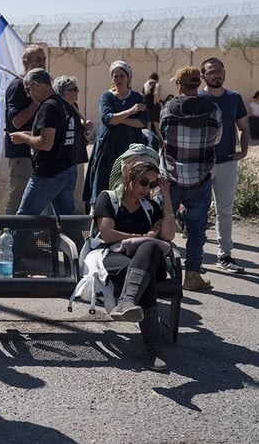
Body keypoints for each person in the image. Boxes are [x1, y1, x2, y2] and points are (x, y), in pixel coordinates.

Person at [92, 143, 175, 371]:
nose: (147, 189)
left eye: (152, 184)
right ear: (130, 176)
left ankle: (127, 302)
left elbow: (167, 235)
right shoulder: (108, 199)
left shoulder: (150, 206)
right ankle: (153, 350)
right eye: (143, 182)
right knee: (145, 266)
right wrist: (141, 236)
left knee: (149, 248)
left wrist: (166, 195)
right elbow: (107, 234)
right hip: (113, 259)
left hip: (142, 261)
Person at [160, 66, 222, 291]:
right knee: (197, 231)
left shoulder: (168, 109)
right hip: (200, 181)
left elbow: (163, 138)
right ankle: (192, 276)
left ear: (179, 84)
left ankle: (156, 272)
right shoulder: (214, 110)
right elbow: (217, 139)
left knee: (160, 226)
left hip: (171, 181)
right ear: (199, 83)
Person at [199, 57, 250, 274]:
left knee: (225, 210)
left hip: (228, 161)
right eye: (211, 72)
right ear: (203, 76)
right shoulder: (197, 98)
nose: (216, 75)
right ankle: (196, 256)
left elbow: (244, 127)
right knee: (198, 210)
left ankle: (225, 255)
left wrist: (244, 151)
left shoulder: (234, 98)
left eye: (219, 71)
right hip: (202, 164)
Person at [10, 68, 77, 217]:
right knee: (68, 220)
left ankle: (15, 241)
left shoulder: (48, 107)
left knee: (24, 218)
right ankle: (77, 241)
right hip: (66, 169)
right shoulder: (64, 104)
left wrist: (24, 138)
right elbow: (56, 135)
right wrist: (28, 134)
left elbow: (46, 143)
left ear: (37, 85)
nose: (28, 95)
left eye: (28, 89)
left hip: (49, 173)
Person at [83, 60, 148, 207]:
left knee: (128, 183)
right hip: (108, 147)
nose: (118, 79)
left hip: (130, 147)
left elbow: (142, 122)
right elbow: (107, 119)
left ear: (128, 77)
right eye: (115, 76)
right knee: (104, 183)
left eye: (122, 76)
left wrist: (118, 118)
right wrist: (131, 112)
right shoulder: (107, 97)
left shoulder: (137, 97)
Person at [2, 45, 46, 215]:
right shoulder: (18, 87)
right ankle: (8, 235)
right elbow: (16, 122)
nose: (42, 63)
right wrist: (35, 102)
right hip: (21, 152)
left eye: (43, 60)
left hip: (38, 150)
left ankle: (29, 235)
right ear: (25, 62)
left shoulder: (42, 86)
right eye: (38, 60)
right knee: (18, 195)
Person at [53, 75, 93, 214]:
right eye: (74, 89)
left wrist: (84, 128)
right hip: (61, 160)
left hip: (73, 158)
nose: (78, 92)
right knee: (55, 198)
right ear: (65, 92)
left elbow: (74, 129)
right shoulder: (56, 108)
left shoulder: (73, 107)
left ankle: (68, 228)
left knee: (68, 198)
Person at [143, 72, 162, 137]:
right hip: (154, 106)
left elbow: (144, 95)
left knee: (148, 126)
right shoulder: (157, 84)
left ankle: (149, 142)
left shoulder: (145, 84)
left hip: (147, 106)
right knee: (157, 126)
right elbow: (157, 96)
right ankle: (161, 142)